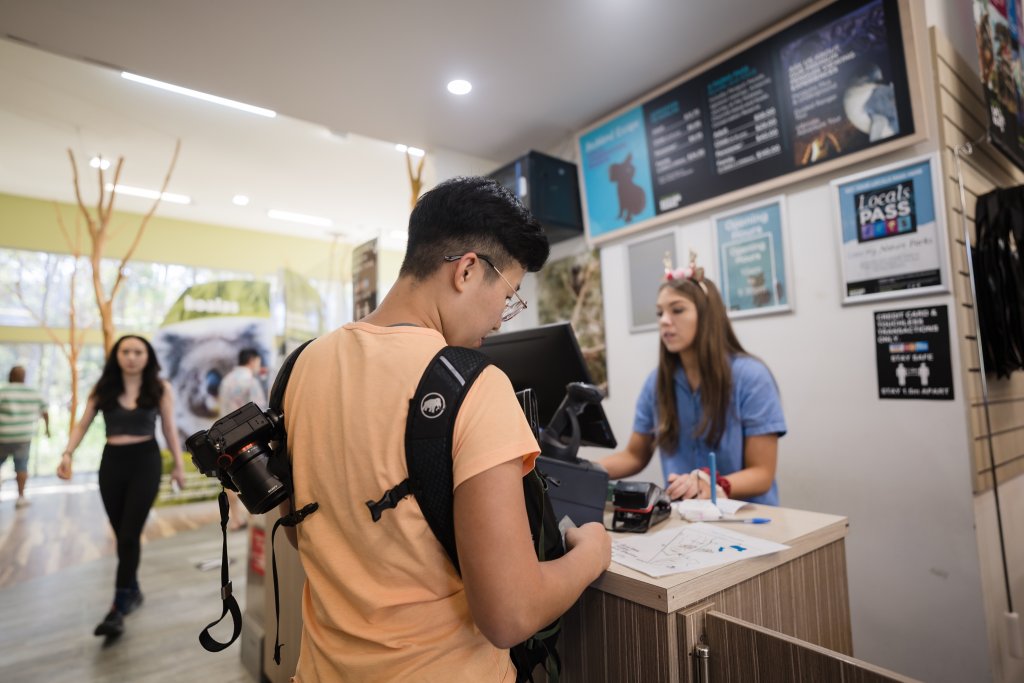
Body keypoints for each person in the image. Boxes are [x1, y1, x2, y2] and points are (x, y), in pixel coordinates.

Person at [280, 176, 611, 681]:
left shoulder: (304, 365)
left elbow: (304, 533)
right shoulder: (475, 386)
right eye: (508, 296)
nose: (502, 320)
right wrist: (592, 554)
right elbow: (510, 614)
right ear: (467, 270)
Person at [599, 255, 786, 505]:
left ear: (707, 315)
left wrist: (713, 485)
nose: (664, 320)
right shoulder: (656, 383)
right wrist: (581, 470)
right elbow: (635, 455)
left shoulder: (751, 377)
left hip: (748, 521)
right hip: (686, 523)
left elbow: (762, 474)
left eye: (677, 310)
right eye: (659, 312)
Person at [56, 334, 187, 639]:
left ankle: (117, 607)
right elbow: (82, 423)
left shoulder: (159, 388)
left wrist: (178, 466)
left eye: (138, 351)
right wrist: (67, 453)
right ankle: (134, 589)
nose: (131, 356)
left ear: (147, 356)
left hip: (146, 462)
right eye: (125, 351)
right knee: (122, 534)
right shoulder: (103, 388)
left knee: (129, 535)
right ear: (117, 355)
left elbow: (169, 428)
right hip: (112, 464)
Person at [217, 347, 267, 530]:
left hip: (224, 437)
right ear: (253, 360)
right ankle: (254, 516)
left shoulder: (226, 380)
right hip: (246, 436)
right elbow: (258, 409)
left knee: (231, 476)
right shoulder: (250, 380)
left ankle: (235, 519)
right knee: (254, 474)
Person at [0, 366, 50, 508]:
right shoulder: (33, 393)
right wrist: (48, 429)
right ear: (24, 377)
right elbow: (45, 411)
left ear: (10, 376)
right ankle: (21, 497)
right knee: (21, 467)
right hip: (23, 437)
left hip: (2, 436)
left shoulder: (3, 391)